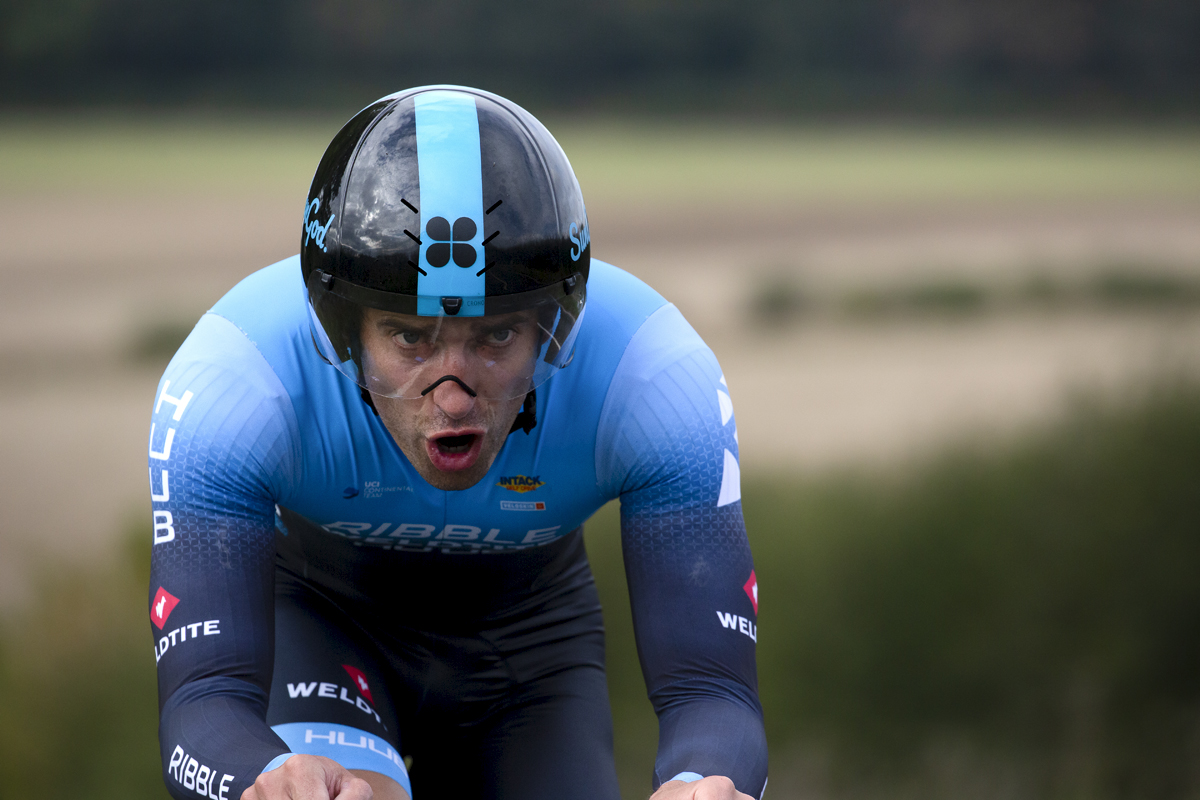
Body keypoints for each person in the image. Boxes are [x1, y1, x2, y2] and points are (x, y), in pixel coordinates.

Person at [148, 85, 767, 800]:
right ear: (343, 334)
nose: (452, 393)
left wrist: (702, 783)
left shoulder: (651, 377)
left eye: (497, 335)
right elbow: (204, 702)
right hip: (324, 621)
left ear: (553, 326)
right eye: (411, 338)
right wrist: (259, 778)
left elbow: (711, 690)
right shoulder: (237, 384)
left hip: (531, 652)